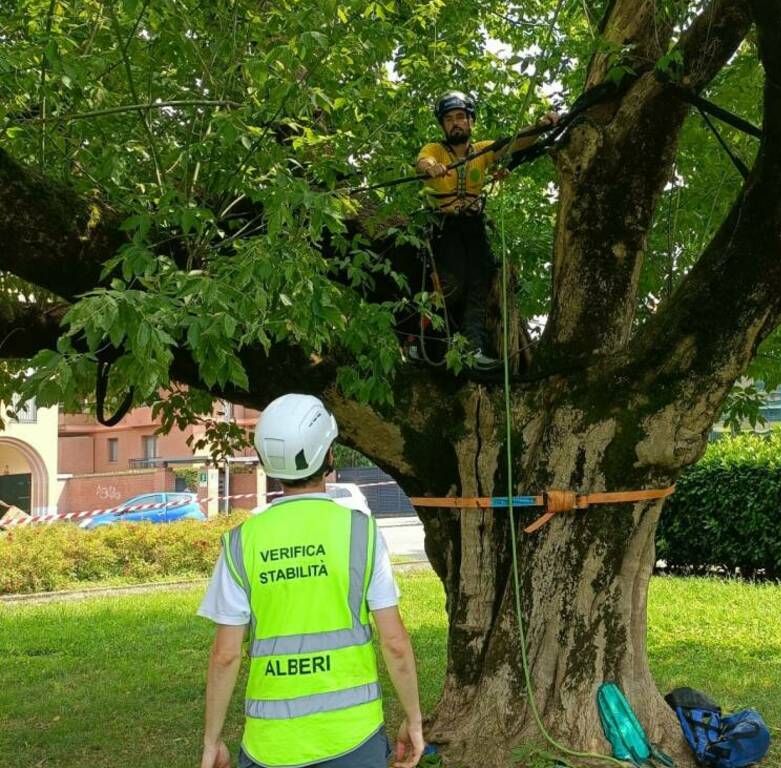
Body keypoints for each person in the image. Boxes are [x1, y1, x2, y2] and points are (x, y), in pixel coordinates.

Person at [198, 394, 423, 768]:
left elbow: (226, 655)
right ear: (329, 456)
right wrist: (414, 720)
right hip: (355, 740)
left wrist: (212, 741)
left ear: (266, 462)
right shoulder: (361, 533)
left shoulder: (242, 543)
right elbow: (394, 643)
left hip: (270, 747)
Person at [413, 90, 557, 367]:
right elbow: (424, 161)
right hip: (444, 226)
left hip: (473, 226)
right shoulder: (435, 150)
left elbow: (515, 143)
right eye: (449, 119)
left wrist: (542, 125)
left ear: (470, 121)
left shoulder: (482, 151)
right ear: (443, 125)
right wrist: (432, 168)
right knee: (450, 285)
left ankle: (473, 349)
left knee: (480, 283)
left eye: (460, 117)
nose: (455, 123)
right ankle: (423, 343)